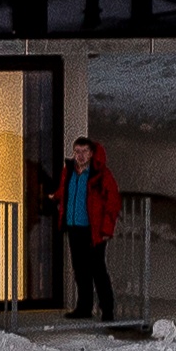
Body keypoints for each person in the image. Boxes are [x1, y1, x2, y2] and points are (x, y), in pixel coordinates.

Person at [56, 133, 122, 318]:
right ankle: (84, 308)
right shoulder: (68, 171)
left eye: (84, 151)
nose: (80, 155)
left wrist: (107, 229)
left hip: (94, 231)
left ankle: (107, 309)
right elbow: (64, 192)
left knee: (98, 270)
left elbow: (112, 202)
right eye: (77, 151)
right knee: (80, 270)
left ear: (92, 153)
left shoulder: (101, 174)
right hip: (74, 227)